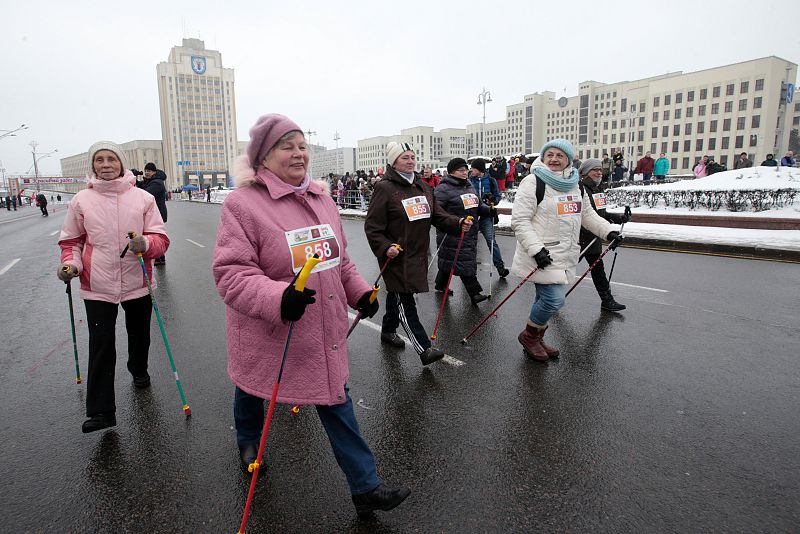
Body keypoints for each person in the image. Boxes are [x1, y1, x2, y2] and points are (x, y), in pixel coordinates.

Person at [212, 114, 410, 516]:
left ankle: (365, 487)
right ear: (263, 158)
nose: (299, 153)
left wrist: (360, 294)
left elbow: (338, 260)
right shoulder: (242, 204)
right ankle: (249, 440)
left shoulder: (322, 199)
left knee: (337, 401)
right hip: (269, 329)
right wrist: (277, 297)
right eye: (287, 145)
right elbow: (231, 274)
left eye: (302, 145)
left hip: (321, 331)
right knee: (252, 385)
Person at [57, 141, 169, 433]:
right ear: (93, 166)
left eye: (111, 159)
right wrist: (71, 265)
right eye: (100, 160)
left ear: (120, 164)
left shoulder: (142, 198)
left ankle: (139, 369)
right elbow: (72, 242)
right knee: (101, 342)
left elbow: (160, 238)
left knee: (139, 333)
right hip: (97, 283)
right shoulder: (81, 200)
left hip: (137, 282)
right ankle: (101, 412)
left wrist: (144, 243)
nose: (105, 165)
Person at [510, 139, 621, 361]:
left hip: (566, 252)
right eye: (549, 154)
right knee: (554, 300)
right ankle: (529, 336)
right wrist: (536, 250)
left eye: (560, 156)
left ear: (569, 160)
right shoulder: (533, 182)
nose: (554, 159)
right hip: (541, 254)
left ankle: (537, 337)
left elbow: (587, 215)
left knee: (545, 298)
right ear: (543, 157)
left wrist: (608, 232)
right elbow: (520, 221)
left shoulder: (575, 184)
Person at [364, 141, 471, 365]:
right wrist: (385, 248)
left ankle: (387, 330)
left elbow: (438, 215)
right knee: (405, 299)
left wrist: (457, 222)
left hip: (419, 253)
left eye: (413, 157)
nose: (411, 161)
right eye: (405, 157)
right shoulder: (384, 188)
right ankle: (424, 347)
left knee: (396, 295)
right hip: (396, 255)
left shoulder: (423, 187)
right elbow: (373, 227)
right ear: (393, 162)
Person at [433, 158, 492, 305]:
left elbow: (477, 204)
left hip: (470, 232)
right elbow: (437, 212)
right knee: (464, 262)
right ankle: (475, 293)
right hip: (453, 231)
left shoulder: (468, 185)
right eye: (461, 170)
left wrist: (489, 210)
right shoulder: (443, 188)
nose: (465, 172)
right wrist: (455, 222)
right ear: (452, 172)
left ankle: (440, 285)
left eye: (466, 169)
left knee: (450, 261)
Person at [578, 159, 631, 311]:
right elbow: (582, 216)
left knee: (598, 269)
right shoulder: (581, 189)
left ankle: (607, 300)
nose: (599, 172)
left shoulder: (597, 189)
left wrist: (619, 218)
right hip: (580, 238)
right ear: (585, 172)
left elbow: (601, 215)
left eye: (600, 170)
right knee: (564, 269)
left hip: (593, 238)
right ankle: (550, 298)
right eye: (594, 170)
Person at [469, 159, 510, 278]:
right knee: (470, 243)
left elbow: (497, 197)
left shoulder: (491, 181)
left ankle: (500, 267)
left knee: (491, 241)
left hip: (486, 216)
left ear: (480, 169)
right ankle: (470, 269)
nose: (471, 170)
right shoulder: (469, 181)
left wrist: (492, 200)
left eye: (474, 168)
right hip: (473, 216)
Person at [143, 163, 169, 266]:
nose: (146, 173)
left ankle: (160, 258)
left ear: (154, 172)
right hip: (155, 213)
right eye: (146, 171)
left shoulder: (157, 183)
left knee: (157, 236)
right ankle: (159, 258)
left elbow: (146, 194)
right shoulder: (153, 181)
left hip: (158, 214)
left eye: (149, 171)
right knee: (154, 235)